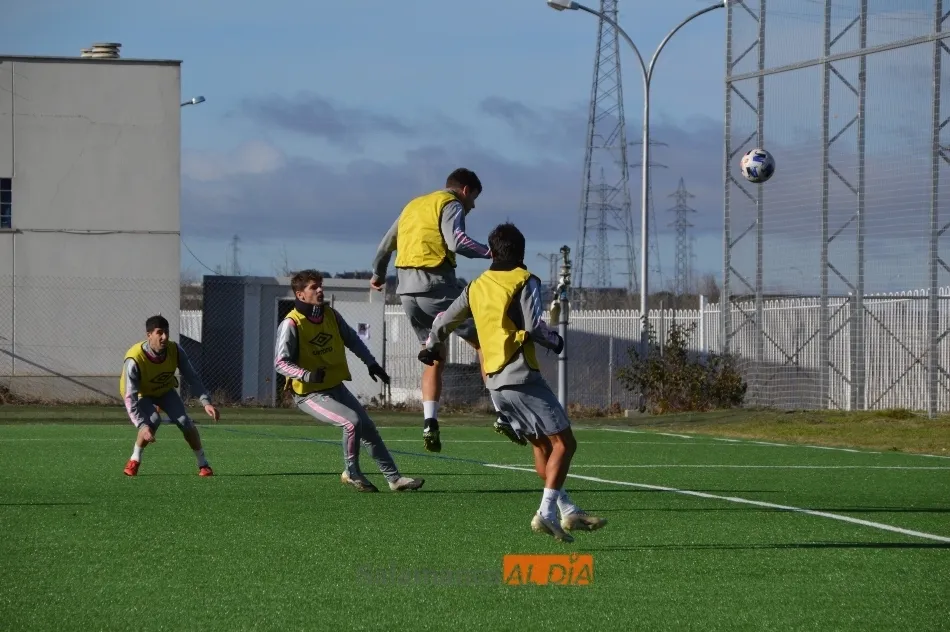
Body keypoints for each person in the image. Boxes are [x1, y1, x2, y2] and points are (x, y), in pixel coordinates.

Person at [418, 222, 607, 542]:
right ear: (521, 252)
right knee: (565, 444)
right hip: (520, 374)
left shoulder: (477, 285)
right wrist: (555, 341)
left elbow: (443, 320)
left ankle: (568, 511)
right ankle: (546, 513)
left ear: (491, 252)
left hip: (494, 383)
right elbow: (534, 326)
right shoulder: (525, 280)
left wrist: (431, 346)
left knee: (542, 445)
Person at [369, 167, 525, 452]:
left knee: (434, 355)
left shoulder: (414, 206)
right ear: (465, 190)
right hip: (436, 286)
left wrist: (379, 274)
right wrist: (493, 253)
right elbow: (457, 241)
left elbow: (384, 246)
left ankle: (430, 422)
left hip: (406, 292)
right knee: (484, 342)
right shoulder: (451, 203)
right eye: (474, 198)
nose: (473, 206)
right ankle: (503, 413)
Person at [275, 269, 424, 493]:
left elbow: (353, 341)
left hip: (335, 387)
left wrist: (371, 363)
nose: (320, 290)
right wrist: (307, 375)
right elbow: (280, 363)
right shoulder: (292, 323)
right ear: (300, 295)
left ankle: (394, 479)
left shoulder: (331, 315)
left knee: (368, 430)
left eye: (320, 285)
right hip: (309, 394)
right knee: (351, 422)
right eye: (313, 287)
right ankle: (351, 473)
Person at [120, 315, 219, 477]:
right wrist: (142, 426)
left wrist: (206, 402)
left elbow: (192, 377)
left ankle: (203, 464)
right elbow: (130, 398)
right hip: (141, 394)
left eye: (166, 332)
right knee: (152, 421)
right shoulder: (134, 359)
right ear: (149, 335)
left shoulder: (176, 350)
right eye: (159, 333)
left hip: (165, 391)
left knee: (184, 422)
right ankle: (134, 459)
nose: (164, 337)